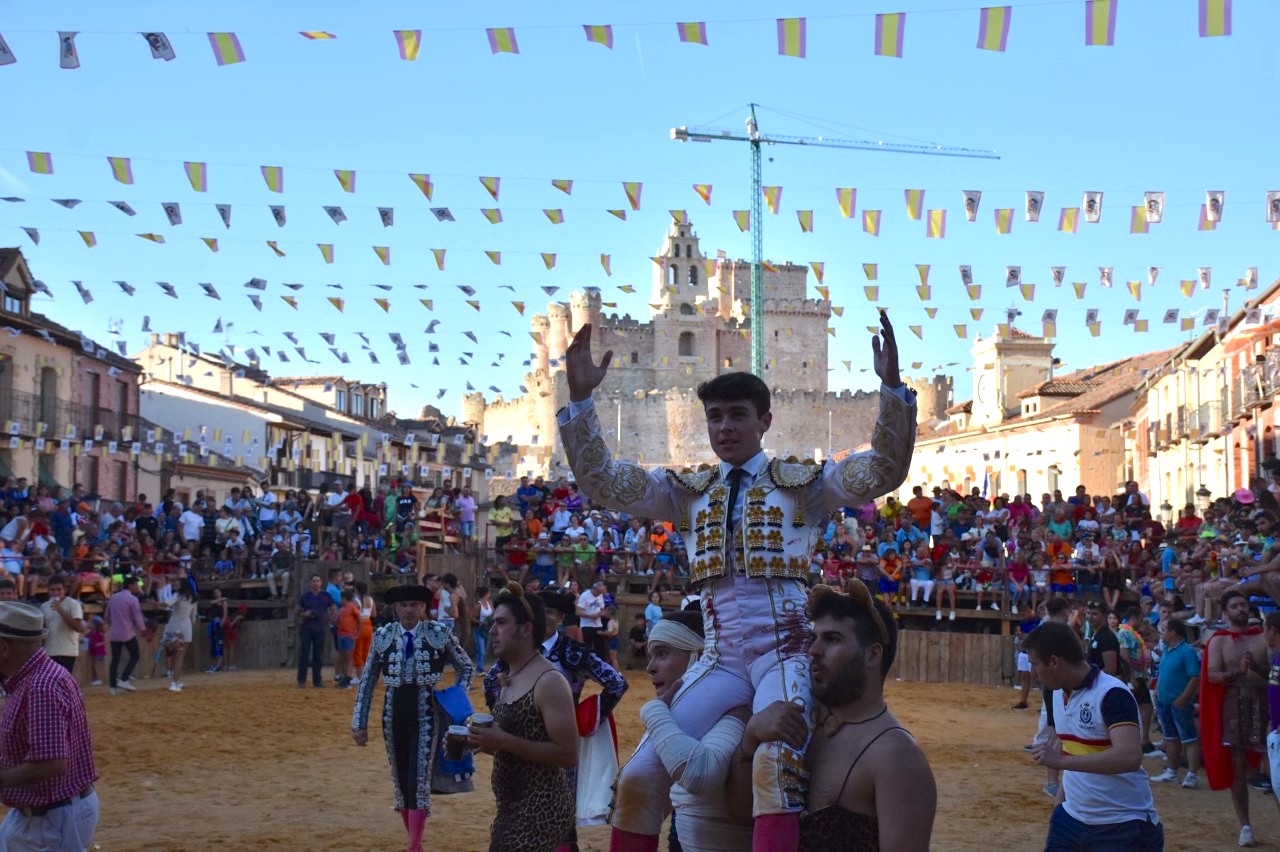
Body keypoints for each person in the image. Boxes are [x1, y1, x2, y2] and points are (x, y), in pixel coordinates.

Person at [560, 311, 915, 850]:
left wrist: (891, 390)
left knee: (775, 769)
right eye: (715, 417)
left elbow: (883, 471)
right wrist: (583, 402)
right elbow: (604, 482)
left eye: (737, 416)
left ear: (765, 420)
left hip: (787, 653)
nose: (724, 427)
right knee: (637, 779)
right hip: (719, 659)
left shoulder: (805, 484)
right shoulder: (686, 489)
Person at [734, 582, 935, 851]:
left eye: (832, 639)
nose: (813, 651)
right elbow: (737, 816)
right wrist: (750, 736)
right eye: (813, 638)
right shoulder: (800, 720)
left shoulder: (897, 757)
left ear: (873, 654)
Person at [352, 584, 474, 852]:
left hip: (427, 715)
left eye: (414, 605)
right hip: (392, 716)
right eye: (404, 605)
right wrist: (359, 723)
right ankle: (415, 845)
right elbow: (368, 681)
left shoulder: (439, 633)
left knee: (417, 781)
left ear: (423, 608)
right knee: (401, 781)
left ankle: (413, 846)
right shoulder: (383, 635)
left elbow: (466, 667)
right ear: (396, 608)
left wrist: (456, 698)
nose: (409, 609)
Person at [1026, 620, 1163, 851]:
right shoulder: (1057, 694)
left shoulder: (1112, 693)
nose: (1033, 672)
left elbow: (1129, 756)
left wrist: (1060, 761)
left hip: (1123, 825)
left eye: (1035, 664)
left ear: (1054, 662)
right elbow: (1073, 752)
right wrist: (1059, 812)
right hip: (1071, 820)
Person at [469, 583, 576, 852]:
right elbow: (521, 743)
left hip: (539, 812)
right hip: (513, 809)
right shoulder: (513, 674)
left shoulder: (549, 680)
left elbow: (568, 754)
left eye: (501, 623)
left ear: (526, 628)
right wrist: (483, 743)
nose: (492, 630)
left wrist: (503, 741)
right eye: (494, 622)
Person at [0, 601, 99, 849]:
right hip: (43, 813)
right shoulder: (39, 678)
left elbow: (51, 764)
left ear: (3, 647)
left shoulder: (40, 687)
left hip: (50, 820)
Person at [1203, 589, 1269, 847]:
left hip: (1267, 703)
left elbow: (1276, 671)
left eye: (1243, 605)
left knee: (1273, 765)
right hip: (1237, 705)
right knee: (1239, 768)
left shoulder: (1264, 637)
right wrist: (1236, 673)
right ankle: (1245, 824)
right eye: (1235, 606)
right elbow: (1212, 676)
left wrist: (1256, 667)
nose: (1241, 609)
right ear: (1225, 612)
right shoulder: (1218, 641)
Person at [1149, 618, 1202, 788]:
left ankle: (1192, 774)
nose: (1161, 633)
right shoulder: (1167, 648)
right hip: (1165, 700)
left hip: (1178, 701)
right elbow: (1164, 672)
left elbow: (1195, 677)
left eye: (1164, 630)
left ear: (1173, 632)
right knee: (1171, 737)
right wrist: (1157, 691)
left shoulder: (1187, 651)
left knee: (1189, 738)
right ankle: (1172, 771)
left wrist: (1184, 698)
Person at [103, 574, 145, 695]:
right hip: (127, 633)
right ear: (131, 585)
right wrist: (142, 629)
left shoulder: (113, 597)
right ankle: (124, 679)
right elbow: (137, 617)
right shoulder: (133, 599)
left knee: (115, 659)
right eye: (136, 585)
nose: (137, 587)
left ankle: (112, 687)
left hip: (115, 633)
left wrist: (112, 624)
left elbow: (107, 616)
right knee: (135, 655)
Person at [296, 574, 336, 688]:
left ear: (321, 583)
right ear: (310, 583)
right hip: (306, 628)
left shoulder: (326, 596)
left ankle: (317, 681)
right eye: (314, 581)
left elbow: (333, 609)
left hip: (320, 628)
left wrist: (328, 619)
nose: (315, 583)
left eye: (318, 581)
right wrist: (305, 614)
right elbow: (297, 612)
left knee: (318, 655)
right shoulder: (305, 596)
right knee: (304, 655)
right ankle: (301, 680)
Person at [41, 574, 85, 674]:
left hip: (67, 652)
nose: (55, 592)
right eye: (52, 590)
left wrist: (61, 611)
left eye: (58, 589)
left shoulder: (73, 604)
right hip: (49, 652)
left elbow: (78, 627)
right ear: (48, 591)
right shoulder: (44, 606)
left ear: (64, 590)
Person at [161, 584, 197, 693]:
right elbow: (193, 615)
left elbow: (167, 604)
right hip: (186, 626)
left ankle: (174, 681)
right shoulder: (194, 597)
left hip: (174, 625)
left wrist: (154, 603)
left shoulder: (177, 595)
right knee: (180, 657)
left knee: (171, 653)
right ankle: (176, 681)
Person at [353, 580, 376, 682]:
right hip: (368, 626)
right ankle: (367, 676)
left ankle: (359, 677)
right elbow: (374, 614)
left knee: (357, 652)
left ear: (356, 589)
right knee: (366, 652)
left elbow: (354, 615)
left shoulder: (356, 600)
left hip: (359, 625)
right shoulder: (370, 600)